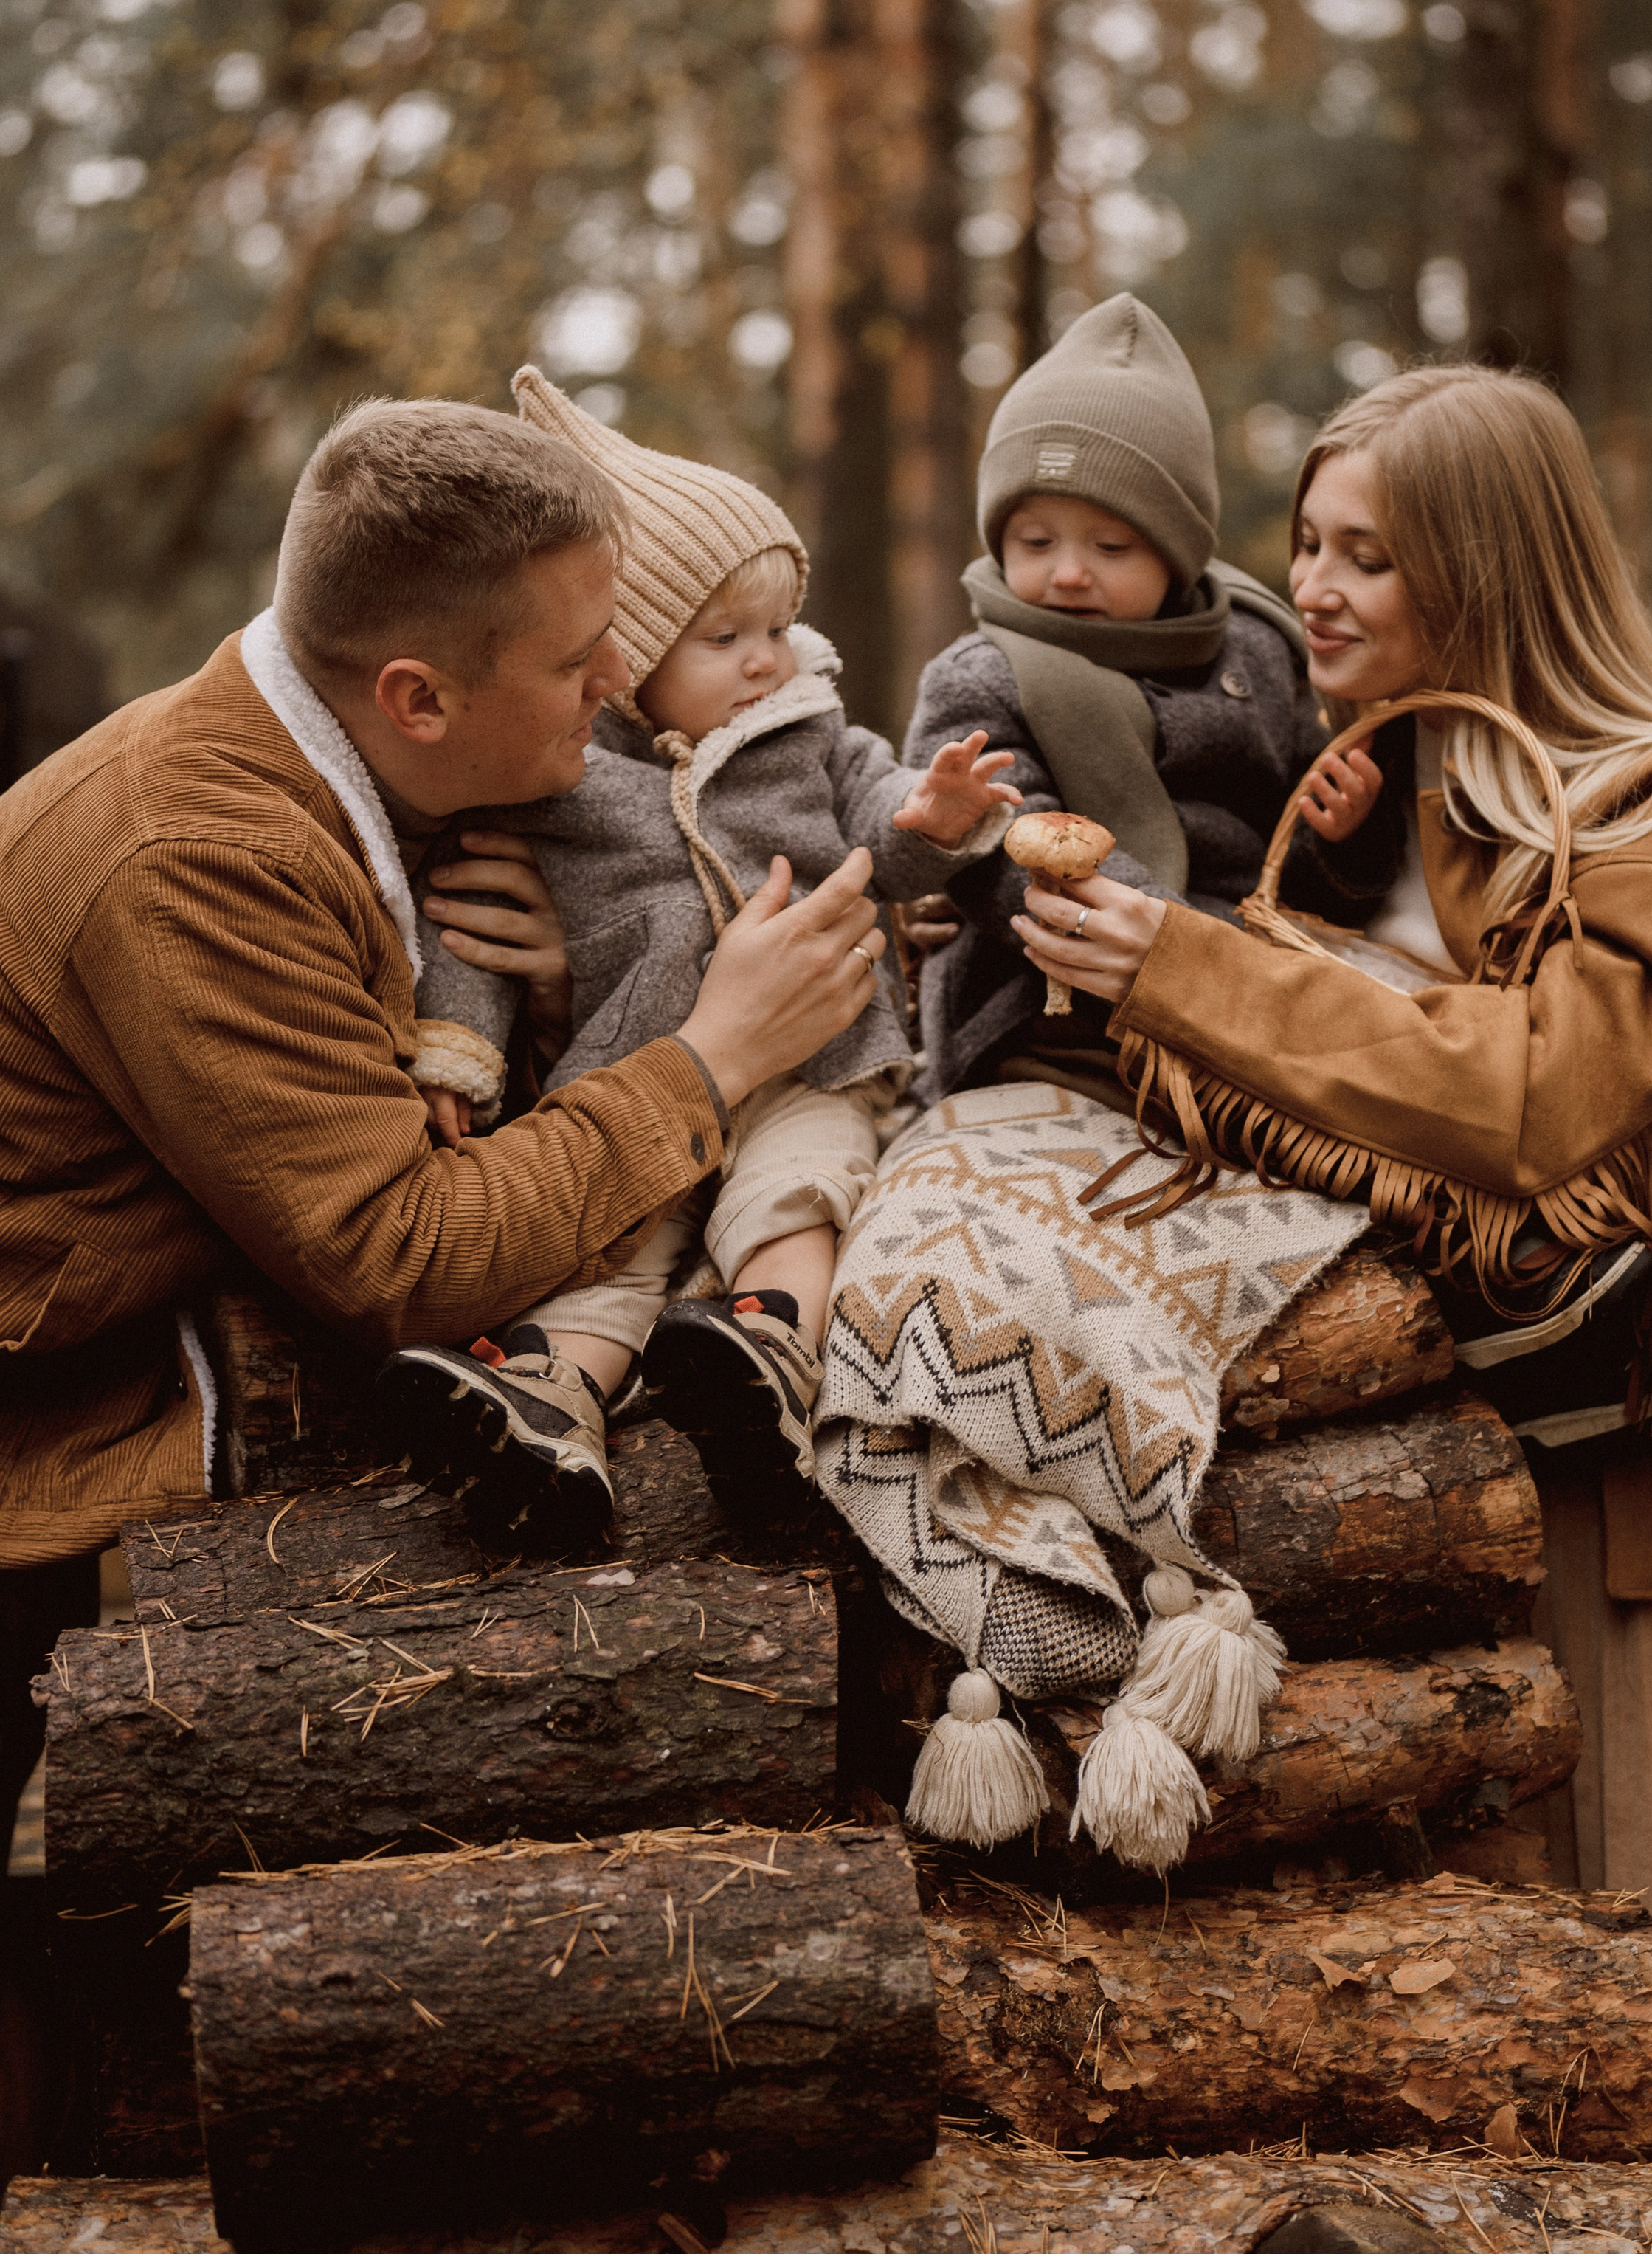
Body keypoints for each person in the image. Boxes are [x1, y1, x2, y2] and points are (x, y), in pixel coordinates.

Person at [1005, 363, 1652, 2254]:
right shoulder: (1359, 785)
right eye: (1307, 544)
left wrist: (1188, 966)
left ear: (1486, 573)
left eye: (1368, 557)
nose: (1313, 590)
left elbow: (1534, 1095)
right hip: (1466, 1431)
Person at [0, 396, 888, 1856]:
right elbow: (404, 1258)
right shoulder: (195, 860)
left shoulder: (358, 770)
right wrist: (714, 1056)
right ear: (416, 697)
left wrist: (561, 992)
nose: (618, 681)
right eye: (575, 658)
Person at [377, 368, 1017, 1545]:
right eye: (724, 639)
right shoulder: (569, 773)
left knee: (797, 1193)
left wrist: (931, 819)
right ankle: (548, 1403)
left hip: (815, 1060)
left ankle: (769, 1350)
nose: (765, 660)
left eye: (775, 629)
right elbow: (467, 917)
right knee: (611, 1249)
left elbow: (878, 832)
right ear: (627, 661)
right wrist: (457, 1051)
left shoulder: (807, 731)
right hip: (641, 1073)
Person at [900, 292, 1394, 1106]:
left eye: (1111, 545)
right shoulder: (981, 678)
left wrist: (1342, 840)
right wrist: (1187, 951)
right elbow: (1008, 852)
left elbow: (1291, 863)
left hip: (1256, 976)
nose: (1068, 573)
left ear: (1176, 553)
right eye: (1035, 541)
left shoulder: (1257, 651)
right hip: (1049, 1002)